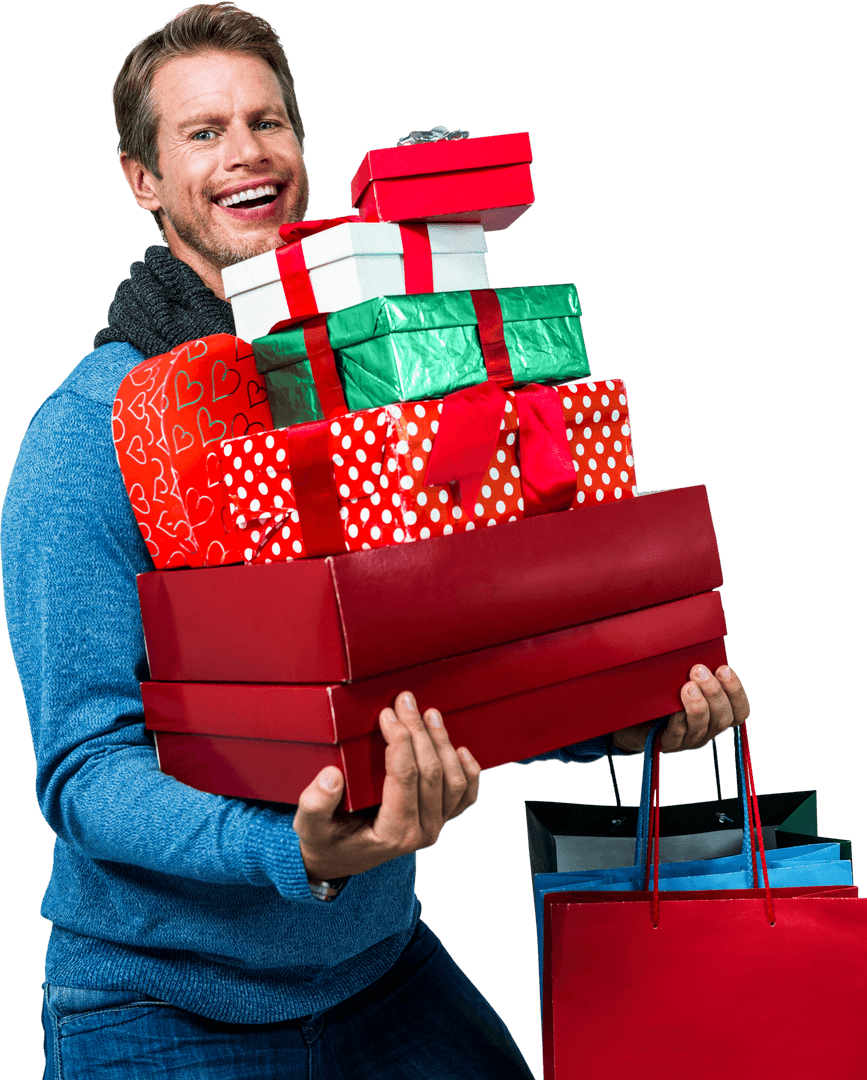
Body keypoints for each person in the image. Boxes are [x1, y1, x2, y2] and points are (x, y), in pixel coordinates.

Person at [0, 5, 749, 1077]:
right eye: (203, 132)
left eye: (268, 120)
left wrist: (626, 719)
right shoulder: (84, 437)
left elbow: (444, 667)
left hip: (379, 972)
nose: (247, 152)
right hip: (162, 1007)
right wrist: (294, 852)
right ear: (144, 181)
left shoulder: (384, 376)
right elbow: (82, 768)